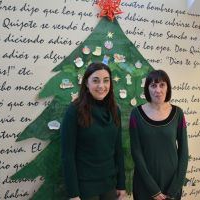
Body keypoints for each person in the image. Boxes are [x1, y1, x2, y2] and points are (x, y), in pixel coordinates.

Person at [61, 62, 126, 200]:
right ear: (86, 83)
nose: (101, 86)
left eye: (106, 81)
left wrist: (121, 184)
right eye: (95, 81)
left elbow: (118, 149)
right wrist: (73, 194)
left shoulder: (115, 110)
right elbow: (68, 156)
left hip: (109, 184)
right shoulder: (74, 111)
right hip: (85, 187)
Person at [129, 69, 188, 200]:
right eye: (153, 85)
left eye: (162, 85)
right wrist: (153, 189)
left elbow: (184, 152)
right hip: (144, 185)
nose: (158, 90)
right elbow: (136, 151)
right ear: (147, 88)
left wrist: (175, 188)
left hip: (171, 186)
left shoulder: (178, 113)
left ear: (168, 88)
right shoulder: (136, 114)